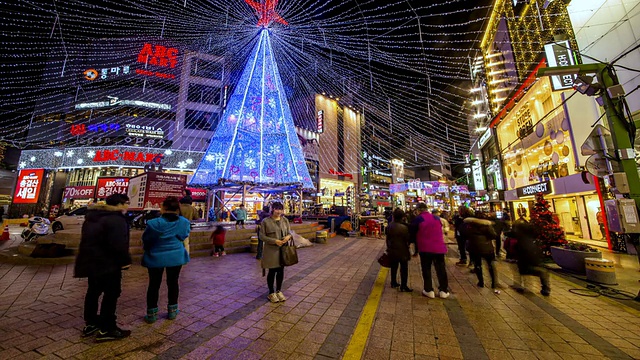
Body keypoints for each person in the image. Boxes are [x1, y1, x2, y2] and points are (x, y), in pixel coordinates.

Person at [74, 194, 132, 342]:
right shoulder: (116, 219)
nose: (127, 206)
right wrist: (125, 261)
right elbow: (118, 244)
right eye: (126, 203)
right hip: (109, 264)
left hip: (92, 262)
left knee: (93, 292)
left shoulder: (93, 216)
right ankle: (107, 328)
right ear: (119, 204)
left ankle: (91, 322)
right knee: (111, 294)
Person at [141, 197, 191, 323]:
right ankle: (172, 312)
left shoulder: (153, 223)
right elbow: (183, 236)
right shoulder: (184, 222)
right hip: (175, 256)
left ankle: (152, 314)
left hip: (155, 256)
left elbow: (147, 240)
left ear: (163, 208)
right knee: (173, 283)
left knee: (154, 284)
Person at [410, 202, 449, 299]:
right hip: (439, 248)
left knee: (426, 269)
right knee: (441, 269)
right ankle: (443, 291)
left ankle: (429, 290)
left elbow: (412, 233)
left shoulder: (418, 219)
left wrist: (414, 249)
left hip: (426, 248)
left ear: (418, 210)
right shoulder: (436, 218)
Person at [506, 219, 551, 296]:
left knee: (521, 270)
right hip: (532, 258)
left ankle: (521, 285)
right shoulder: (529, 236)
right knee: (541, 271)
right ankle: (545, 288)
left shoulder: (520, 237)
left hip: (526, 261)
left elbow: (511, 237)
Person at [260, 202, 292, 303]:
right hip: (271, 251)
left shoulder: (285, 220)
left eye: (280, 209)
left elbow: (289, 232)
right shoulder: (266, 221)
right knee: (272, 270)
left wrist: (288, 237)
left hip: (283, 250)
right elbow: (262, 236)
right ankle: (271, 292)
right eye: (277, 209)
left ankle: (278, 291)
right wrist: (274, 241)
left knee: (281, 270)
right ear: (272, 209)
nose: (279, 211)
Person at [461, 211, 500, 291]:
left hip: (474, 247)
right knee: (490, 265)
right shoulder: (487, 225)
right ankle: (493, 282)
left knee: (478, 264)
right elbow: (494, 235)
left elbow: (464, 234)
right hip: (487, 247)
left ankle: (481, 282)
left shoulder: (470, 225)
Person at [386, 209, 412, 292]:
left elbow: (388, 238)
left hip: (392, 249)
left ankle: (393, 282)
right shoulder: (405, 227)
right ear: (403, 217)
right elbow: (408, 239)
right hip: (403, 250)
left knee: (394, 266)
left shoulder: (389, 226)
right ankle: (403, 285)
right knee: (404, 268)